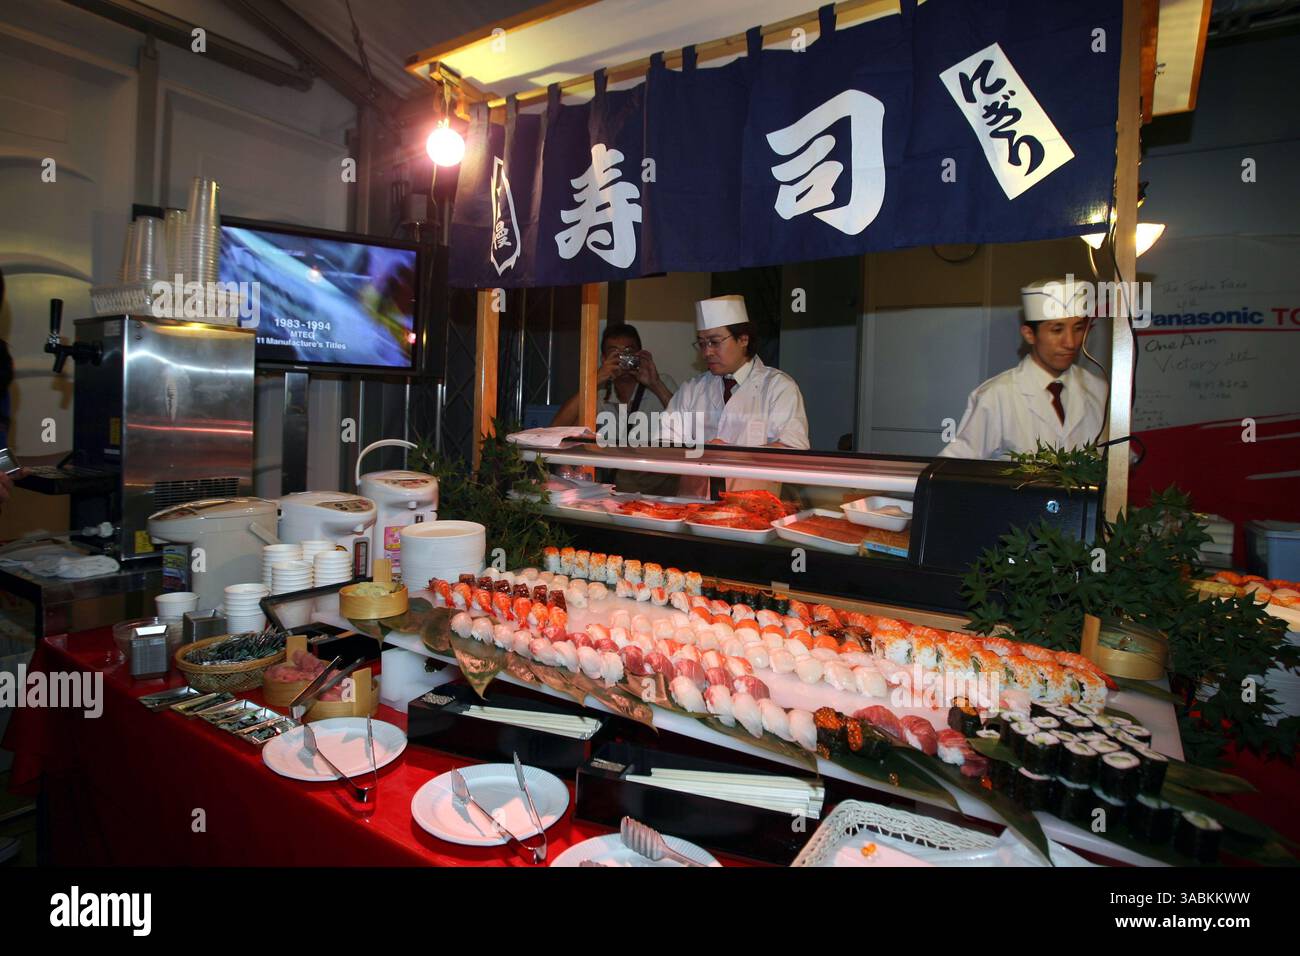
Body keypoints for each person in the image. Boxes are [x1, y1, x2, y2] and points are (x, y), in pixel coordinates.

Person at [941, 277, 1107, 461]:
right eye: (1057, 330)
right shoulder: (996, 396)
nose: (1070, 343)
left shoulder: (1099, 391)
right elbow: (955, 467)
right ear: (1029, 334)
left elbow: (1120, 463)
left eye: (1078, 328)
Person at [665, 295, 809, 497]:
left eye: (715, 342)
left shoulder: (778, 387)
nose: (707, 352)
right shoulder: (692, 389)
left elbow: (794, 454)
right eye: (702, 343)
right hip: (691, 507)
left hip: (752, 512)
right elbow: (663, 445)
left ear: (743, 339)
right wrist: (698, 451)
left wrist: (736, 454)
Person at [551, 323, 678, 494]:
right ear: (604, 359)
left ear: (639, 355)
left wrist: (655, 384)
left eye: (628, 352)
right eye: (614, 353)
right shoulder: (598, 392)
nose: (622, 359)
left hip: (660, 492)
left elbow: (689, 428)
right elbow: (556, 429)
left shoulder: (660, 383)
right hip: (613, 493)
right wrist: (595, 379)